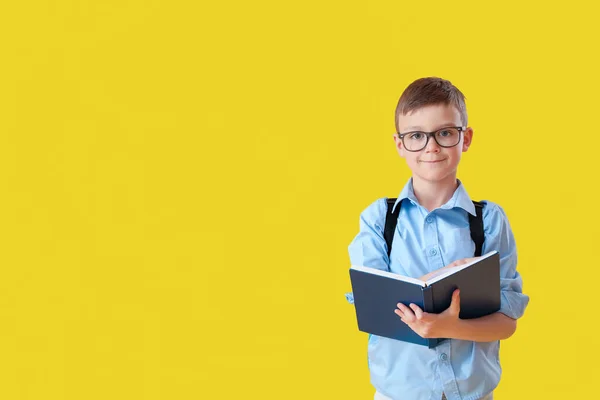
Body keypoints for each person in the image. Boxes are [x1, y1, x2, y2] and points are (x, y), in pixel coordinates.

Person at [347, 77, 530, 400]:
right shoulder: (378, 219)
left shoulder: (489, 221)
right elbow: (372, 308)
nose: (431, 147)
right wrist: (441, 278)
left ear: (466, 138)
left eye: (445, 133)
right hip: (398, 394)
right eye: (417, 136)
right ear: (400, 144)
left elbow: (506, 322)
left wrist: (447, 327)